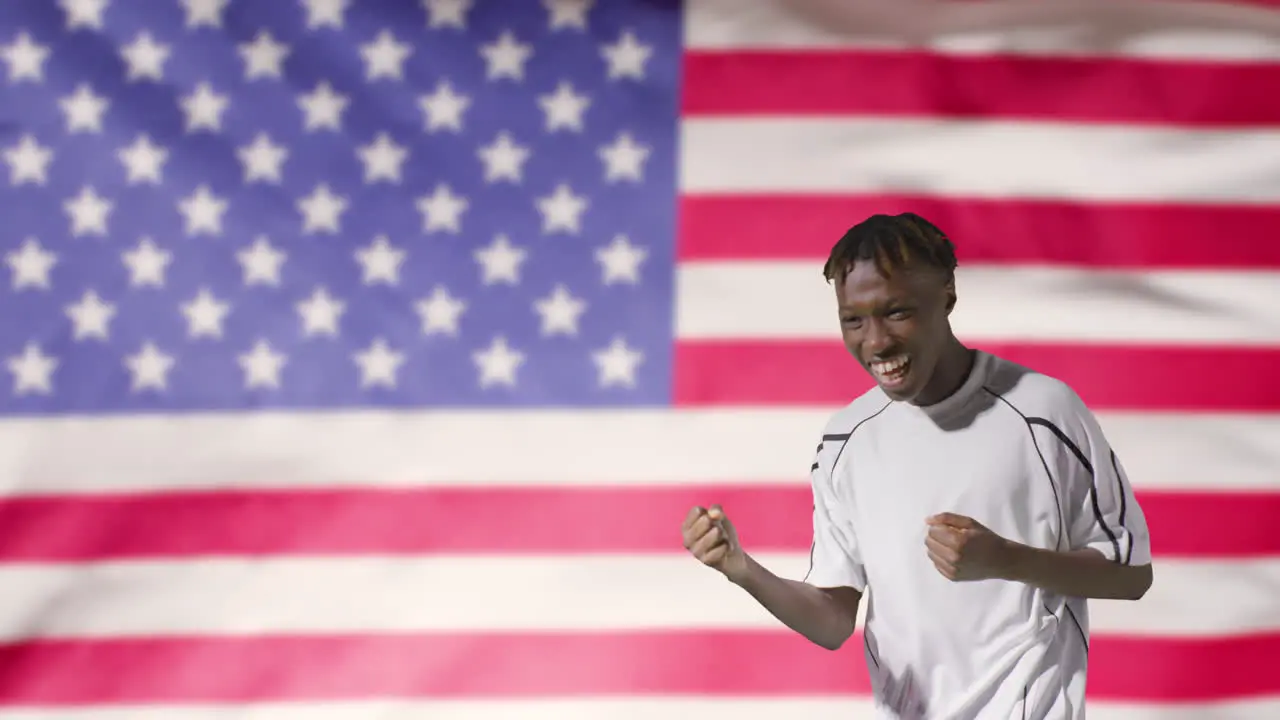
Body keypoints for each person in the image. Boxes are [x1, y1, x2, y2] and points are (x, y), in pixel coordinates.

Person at [680, 213, 1153, 719]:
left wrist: (1004, 559)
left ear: (947, 295)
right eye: (853, 320)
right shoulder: (847, 440)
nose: (876, 341)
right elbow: (834, 620)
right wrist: (741, 570)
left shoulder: (1043, 412)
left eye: (897, 312)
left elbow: (1130, 574)